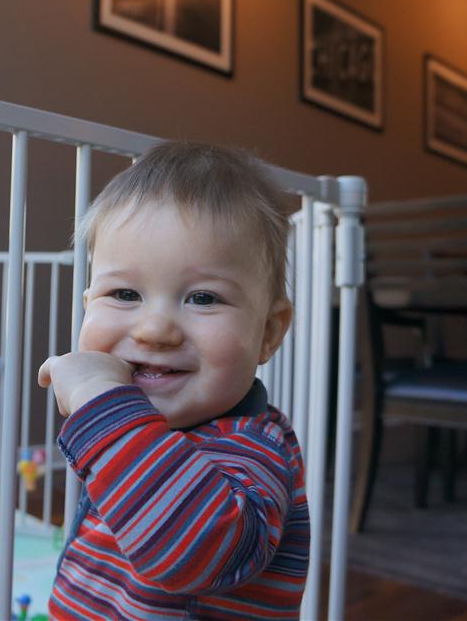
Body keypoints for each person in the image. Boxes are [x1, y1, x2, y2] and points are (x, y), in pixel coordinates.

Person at [38, 142, 308, 619]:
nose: (154, 330)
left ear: (268, 332)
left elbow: (189, 553)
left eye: (203, 298)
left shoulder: (250, 450)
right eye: (125, 293)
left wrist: (100, 398)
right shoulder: (144, 433)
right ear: (88, 305)